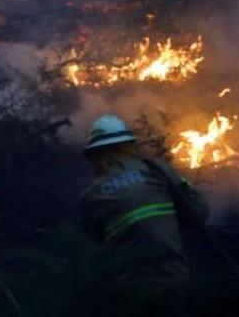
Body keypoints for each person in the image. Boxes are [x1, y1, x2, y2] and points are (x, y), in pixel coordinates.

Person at [79, 115, 210, 316]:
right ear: (129, 146)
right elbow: (199, 211)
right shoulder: (156, 171)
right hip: (173, 278)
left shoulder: (91, 196)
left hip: (128, 288)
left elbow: (96, 239)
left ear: (95, 155)